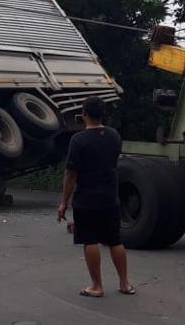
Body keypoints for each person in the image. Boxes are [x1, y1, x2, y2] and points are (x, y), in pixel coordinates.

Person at [56, 97, 133, 298]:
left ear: (84, 114)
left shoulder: (78, 140)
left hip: (87, 198)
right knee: (115, 241)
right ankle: (124, 283)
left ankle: (97, 286)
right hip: (110, 197)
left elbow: (71, 173)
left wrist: (64, 201)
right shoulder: (114, 135)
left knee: (90, 241)